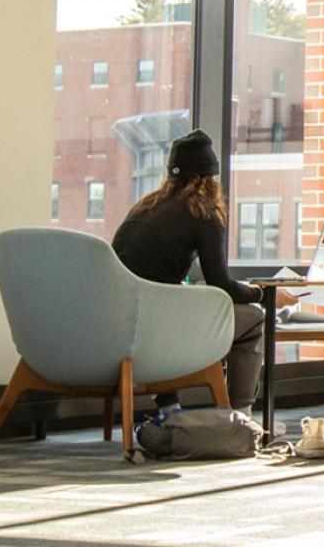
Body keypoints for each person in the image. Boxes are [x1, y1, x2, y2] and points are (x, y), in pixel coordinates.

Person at [111, 129, 297, 416]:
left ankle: (169, 409)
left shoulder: (146, 206)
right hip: (157, 324)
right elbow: (222, 285)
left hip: (120, 322)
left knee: (191, 310)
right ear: (211, 177)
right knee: (253, 318)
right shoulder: (202, 212)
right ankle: (241, 414)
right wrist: (266, 294)